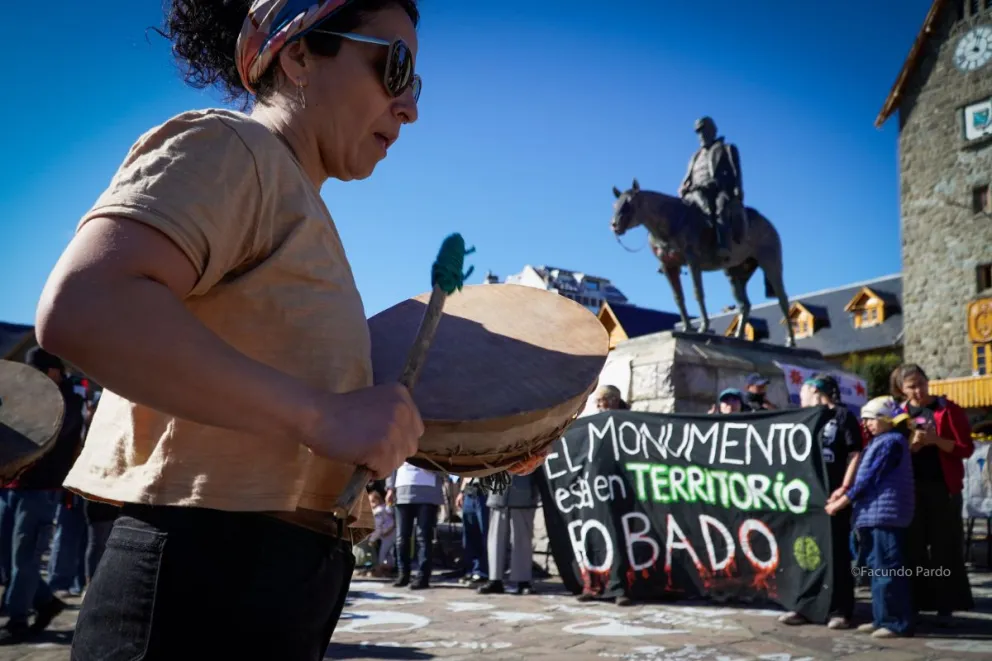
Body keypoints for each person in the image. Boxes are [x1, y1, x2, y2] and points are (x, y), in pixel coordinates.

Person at [34, 1, 430, 658]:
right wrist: (319, 415)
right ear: (299, 53)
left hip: (265, 582)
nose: (409, 105)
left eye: (415, 84)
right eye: (395, 67)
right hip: (198, 578)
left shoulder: (299, 204)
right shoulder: (235, 147)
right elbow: (85, 303)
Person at [0, 348, 84, 644]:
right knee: (7, 559)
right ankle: (46, 601)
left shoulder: (68, 404)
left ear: (53, 372)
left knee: (25, 557)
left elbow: (44, 440)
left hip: (40, 490)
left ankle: (18, 619)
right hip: (10, 487)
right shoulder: (23, 400)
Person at [826, 396, 915, 639]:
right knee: (877, 568)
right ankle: (881, 618)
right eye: (865, 420)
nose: (867, 424)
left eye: (872, 419)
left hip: (886, 514)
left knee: (888, 568)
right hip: (874, 514)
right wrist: (843, 491)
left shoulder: (892, 442)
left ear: (887, 419)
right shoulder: (880, 442)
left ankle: (896, 621)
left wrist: (842, 502)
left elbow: (869, 478)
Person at [893, 364, 975, 625]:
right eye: (911, 387)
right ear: (901, 390)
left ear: (928, 381)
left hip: (943, 487)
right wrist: (912, 447)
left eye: (921, 383)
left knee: (945, 546)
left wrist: (936, 441)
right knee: (914, 545)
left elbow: (966, 449)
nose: (918, 391)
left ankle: (948, 602)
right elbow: (893, 453)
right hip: (911, 488)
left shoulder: (948, 409)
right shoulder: (899, 415)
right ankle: (920, 599)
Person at [779, 375, 862, 629]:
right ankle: (806, 606)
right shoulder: (801, 417)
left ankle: (840, 609)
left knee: (835, 552)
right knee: (804, 551)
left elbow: (855, 452)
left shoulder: (842, 416)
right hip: (805, 497)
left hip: (833, 495)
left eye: (802, 391)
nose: (800, 397)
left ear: (815, 391)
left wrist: (845, 488)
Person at [677, 116, 743, 260]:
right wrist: (682, 187)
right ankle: (673, 250)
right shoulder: (695, 156)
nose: (701, 135)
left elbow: (736, 171)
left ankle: (723, 245)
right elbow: (688, 176)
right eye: (699, 132)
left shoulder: (727, 148)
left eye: (704, 130)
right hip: (694, 192)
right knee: (677, 212)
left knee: (720, 208)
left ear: (712, 131)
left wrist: (737, 188)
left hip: (718, 190)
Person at [478, 472, 540, 596]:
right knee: (495, 539)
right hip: (498, 492)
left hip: (523, 493)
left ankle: (523, 580)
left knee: (522, 540)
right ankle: (495, 579)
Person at [386, 462, 443, 590]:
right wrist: (390, 487)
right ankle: (403, 574)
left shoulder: (435, 441)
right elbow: (393, 460)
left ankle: (423, 577)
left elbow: (445, 465)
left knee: (423, 536)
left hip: (428, 491)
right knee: (401, 538)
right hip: (402, 490)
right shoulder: (400, 441)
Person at [455, 476, 490, 586]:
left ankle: (482, 571)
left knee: (484, 533)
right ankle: (472, 569)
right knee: (470, 534)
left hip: (485, 489)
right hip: (469, 490)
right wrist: (462, 492)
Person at [365, 486, 396, 577]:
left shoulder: (377, 513)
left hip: (388, 534)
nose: (371, 504)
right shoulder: (383, 509)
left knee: (383, 553)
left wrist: (372, 539)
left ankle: (381, 569)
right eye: (370, 502)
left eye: (373, 501)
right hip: (390, 532)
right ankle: (390, 567)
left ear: (379, 500)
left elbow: (377, 529)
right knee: (388, 552)